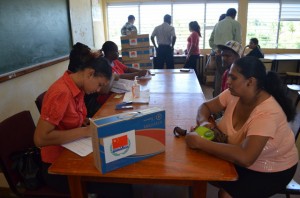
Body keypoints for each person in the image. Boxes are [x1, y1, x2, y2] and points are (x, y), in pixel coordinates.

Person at [186, 56, 298, 198]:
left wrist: (201, 143)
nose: (228, 81)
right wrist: (203, 123)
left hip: (272, 170)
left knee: (225, 193)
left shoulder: (268, 112)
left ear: (250, 82)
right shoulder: (234, 94)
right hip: (244, 158)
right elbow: (206, 107)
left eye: (233, 78)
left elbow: (246, 157)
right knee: (200, 166)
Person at [34, 51, 133, 197]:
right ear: (90, 74)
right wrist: (85, 132)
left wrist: (85, 121)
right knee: (119, 185)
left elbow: (69, 118)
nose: (99, 90)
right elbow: (40, 139)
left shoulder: (78, 87)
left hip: (73, 151)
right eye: (99, 85)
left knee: (118, 163)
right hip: (57, 166)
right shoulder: (61, 92)